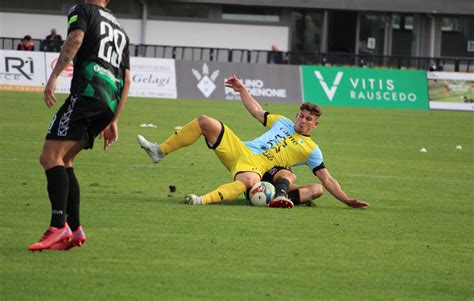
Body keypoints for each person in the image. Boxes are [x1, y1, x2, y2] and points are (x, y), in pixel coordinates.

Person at [137, 75, 368, 209]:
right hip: (240, 148)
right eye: (301, 115)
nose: (302, 121)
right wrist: (242, 90)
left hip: (258, 167)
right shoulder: (283, 122)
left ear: (314, 124)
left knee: (311, 187)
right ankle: (160, 151)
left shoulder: (311, 149)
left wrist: (346, 200)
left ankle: (201, 200)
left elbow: (327, 178)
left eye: (308, 119)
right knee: (205, 121)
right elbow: (257, 111)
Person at [28, 0, 131, 252]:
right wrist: (114, 120)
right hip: (107, 102)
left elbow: (74, 40)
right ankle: (74, 230)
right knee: (65, 159)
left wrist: (53, 76)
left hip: (87, 94)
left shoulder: (82, 10)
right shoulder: (120, 29)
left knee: (50, 156)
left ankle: (58, 226)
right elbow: (127, 80)